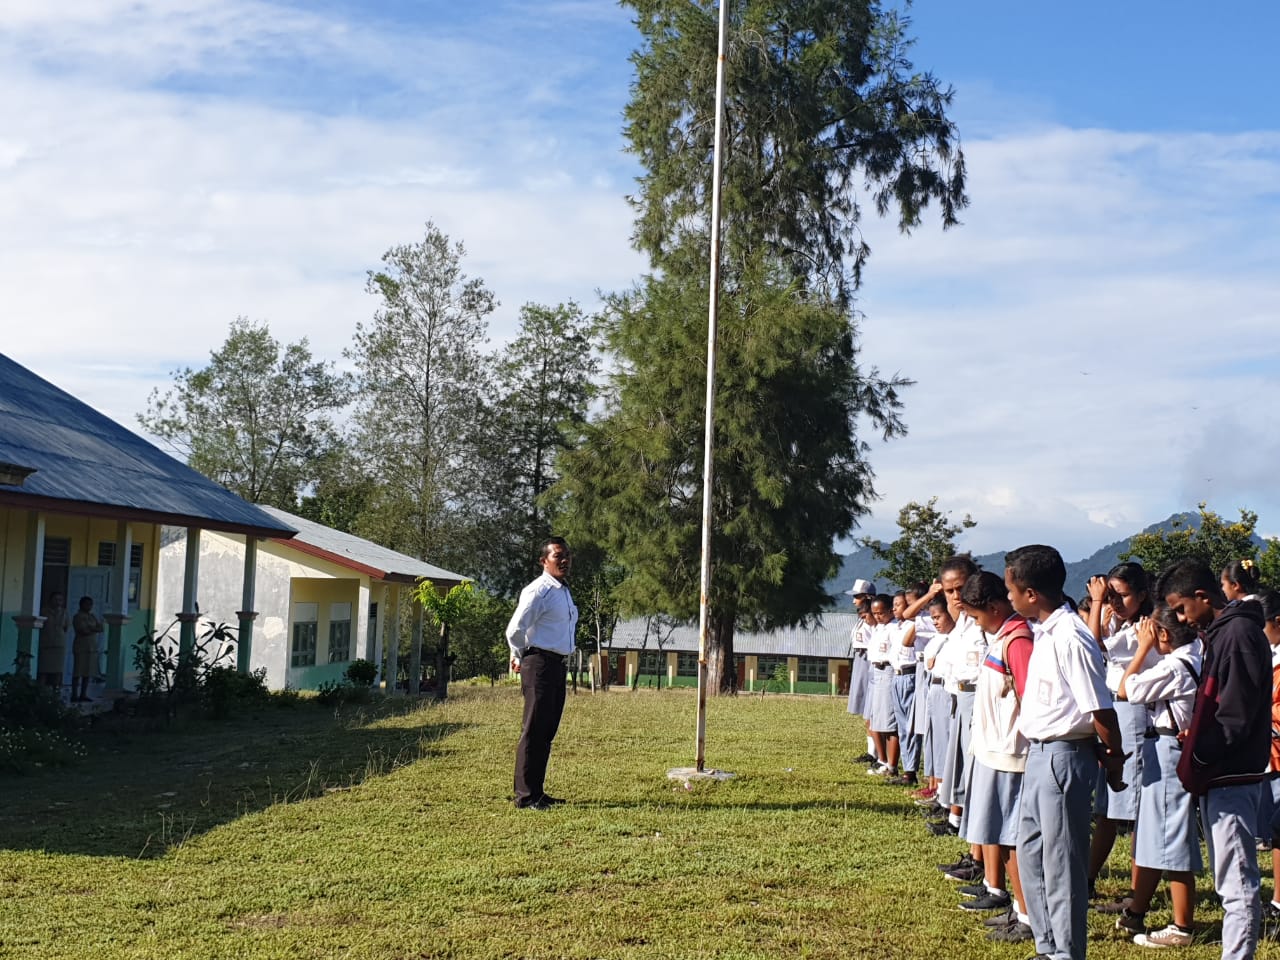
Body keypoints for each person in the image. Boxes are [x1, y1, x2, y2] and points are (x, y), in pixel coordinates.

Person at [1008, 544, 1127, 960]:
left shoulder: (1073, 637)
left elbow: (1100, 709)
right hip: (1040, 754)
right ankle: (1047, 945)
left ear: (1031, 594)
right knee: (1033, 856)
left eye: (1011, 590)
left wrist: (1114, 761)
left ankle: (1067, 951)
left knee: (1062, 866)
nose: (1008, 598)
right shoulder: (1046, 632)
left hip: (1064, 756)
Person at [1162, 558, 1271, 960]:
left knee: (1237, 882)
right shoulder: (1224, 633)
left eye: (1181, 608)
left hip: (1231, 774)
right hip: (1221, 771)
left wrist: (1204, 752)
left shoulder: (1238, 633)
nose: (1180, 618)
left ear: (1202, 597)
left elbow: (1236, 715)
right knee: (1230, 877)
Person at [1113, 603, 1203, 948]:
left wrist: (1142, 648)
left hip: (1168, 751)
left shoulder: (1175, 667)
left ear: (1163, 634)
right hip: (1164, 749)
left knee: (1172, 836)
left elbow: (1126, 689)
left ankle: (1182, 927)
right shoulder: (1193, 653)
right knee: (1154, 834)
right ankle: (1137, 910)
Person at [955, 571, 1035, 944]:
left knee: (1013, 838)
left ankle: (1027, 914)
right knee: (1001, 837)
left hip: (1010, 753)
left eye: (975, 615)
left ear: (994, 607)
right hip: (992, 750)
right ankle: (1016, 907)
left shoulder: (1018, 640)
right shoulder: (1001, 635)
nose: (974, 622)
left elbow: (1028, 698)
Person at [1084, 562, 1155, 911]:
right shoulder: (1122, 623)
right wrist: (1106, 609)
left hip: (1133, 713)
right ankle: (1088, 877)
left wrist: (1097, 604)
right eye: (1111, 594)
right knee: (1108, 809)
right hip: (1115, 709)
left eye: (1122, 595)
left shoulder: (1145, 627)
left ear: (1142, 595)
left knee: (1135, 807)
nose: (1115, 601)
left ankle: (1136, 892)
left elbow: (1092, 644)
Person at [506, 537, 578, 810]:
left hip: (557, 664)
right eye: (558, 555)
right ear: (543, 561)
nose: (564, 560)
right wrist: (518, 654)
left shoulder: (562, 590)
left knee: (546, 730)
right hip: (538, 663)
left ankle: (538, 792)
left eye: (567, 555)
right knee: (533, 730)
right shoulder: (539, 590)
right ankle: (525, 796)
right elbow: (515, 629)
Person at [71, 596, 103, 703]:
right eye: (87, 604)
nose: (89, 606)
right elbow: (82, 630)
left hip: (92, 647)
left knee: (87, 673)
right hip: (81, 646)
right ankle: (74, 694)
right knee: (77, 672)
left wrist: (91, 628)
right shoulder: (78, 616)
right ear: (81, 604)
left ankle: (83, 694)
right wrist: (94, 629)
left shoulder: (92, 616)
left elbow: (101, 628)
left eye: (90, 604)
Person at [37, 591, 69, 690]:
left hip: (59, 645)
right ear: (50, 600)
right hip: (46, 644)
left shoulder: (64, 612)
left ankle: (56, 693)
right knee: (43, 670)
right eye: (55, 599)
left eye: (60, 600)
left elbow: (66, 627)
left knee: (58, 671)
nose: (58, 602)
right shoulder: (43, 611)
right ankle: (40, 692)